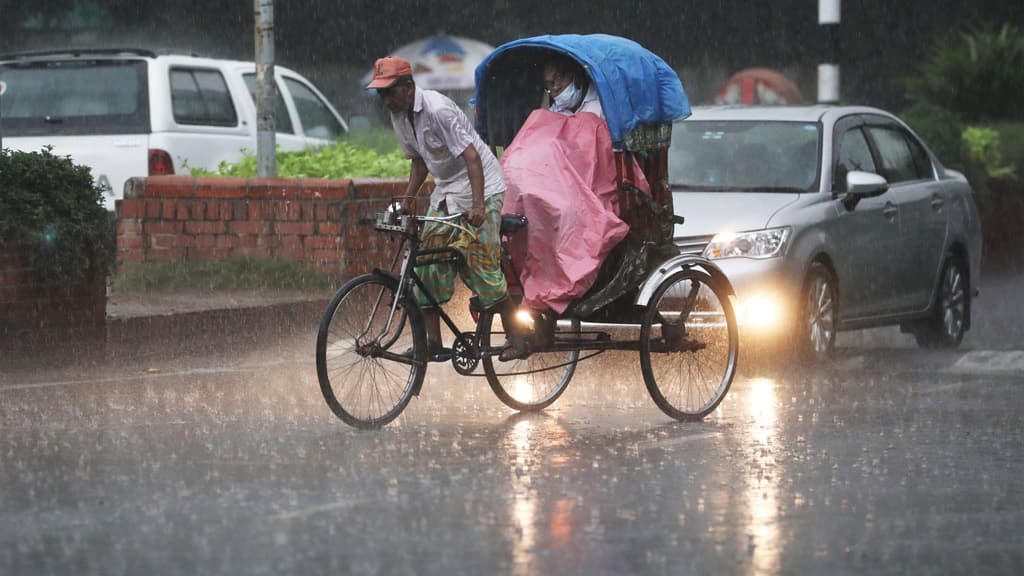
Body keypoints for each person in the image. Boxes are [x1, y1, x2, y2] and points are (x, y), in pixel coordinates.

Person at [368, 56, 523, 362]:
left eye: (389, 92)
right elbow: (419, 161)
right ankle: (431, 342)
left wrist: (479, 205)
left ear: (408, 87)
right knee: (425, 263)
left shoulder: (437, 109)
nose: (384, 99)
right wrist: (408, 199)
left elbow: (472, 157)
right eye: (380, 93)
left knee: (480, 265)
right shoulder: (399, 115)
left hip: (483, 187)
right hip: (448, 191)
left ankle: (518, 338)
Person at [542, 54, 604, 119]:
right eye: (549, 84)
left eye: (559, 78)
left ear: (576, 74)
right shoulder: (553, 112)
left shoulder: (603, 106)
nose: (555, 87)